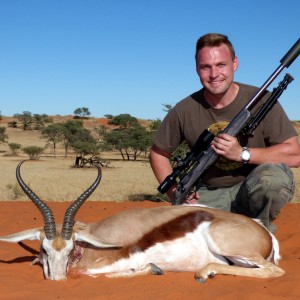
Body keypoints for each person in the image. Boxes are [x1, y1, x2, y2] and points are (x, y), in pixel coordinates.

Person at [149, 33, 300, 233]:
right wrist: (175, 192)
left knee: (272, 179)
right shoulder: (184, 109)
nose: (214, 74)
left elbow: (294, 155)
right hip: (209, 194)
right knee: (189, 240)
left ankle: (261, 234)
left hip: (250, 189)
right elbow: (158, 153)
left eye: (221, 65)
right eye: (206, 67)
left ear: (234, 64)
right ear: (197, 69)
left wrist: (242, 153)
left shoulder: (262, 99)